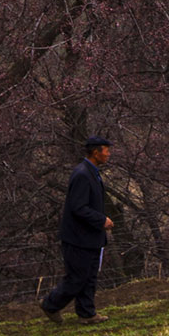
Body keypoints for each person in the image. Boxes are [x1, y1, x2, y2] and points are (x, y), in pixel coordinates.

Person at [42, 136, 115, 322]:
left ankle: (87, 313)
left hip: (89, 237)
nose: (108, 154)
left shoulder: (92, 173)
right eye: (106, 150)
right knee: (77, 277)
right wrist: (101, 220)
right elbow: (78, 207)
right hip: (77, 238)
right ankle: (50, 305)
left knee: (89, 276)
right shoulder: (82, 174)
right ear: (96, 152)